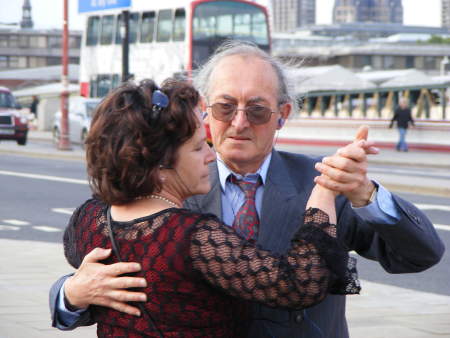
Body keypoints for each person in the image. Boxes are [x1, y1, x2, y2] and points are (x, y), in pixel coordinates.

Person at [50, 41, 444, 338]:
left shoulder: (326, 181)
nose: (239, 123)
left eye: (256, 110)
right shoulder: (153, 190)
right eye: (224, 108)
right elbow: (111, 288)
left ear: (282, 115)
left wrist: (367, 194)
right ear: (203, 111)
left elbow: (420, 255)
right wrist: (71, 294)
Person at [59, 78, 359, 337]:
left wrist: (72, 292)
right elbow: (299, 283)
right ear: (161, 164)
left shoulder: (86, 219)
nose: (209, 154)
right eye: (198, 146)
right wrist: (323, 191)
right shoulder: (193, 237)